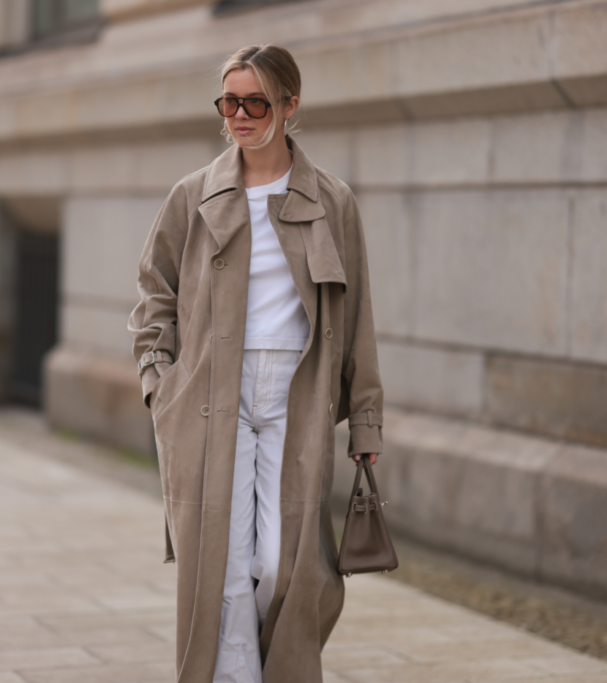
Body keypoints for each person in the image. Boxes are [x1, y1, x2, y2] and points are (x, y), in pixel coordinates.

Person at [128, 45, 383, 683]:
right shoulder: (194, 196)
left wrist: (366, 424)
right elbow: (153, 295)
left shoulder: (332, 201)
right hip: (210, 393)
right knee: (220, 562)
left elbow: (357, 322)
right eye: (228, 101)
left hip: (297, 395)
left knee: (283, 563)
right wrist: (160, 382)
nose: (238, 115)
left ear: (290, 106)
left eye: (255, 102)